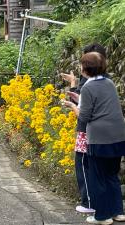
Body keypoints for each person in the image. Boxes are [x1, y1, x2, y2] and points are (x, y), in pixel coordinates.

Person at [63, 52, 125, 225]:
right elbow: (102, 105)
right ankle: (118, 212)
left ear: (85, 69)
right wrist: (80, 100)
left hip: (99, 138)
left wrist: (74, 106)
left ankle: (102, 216)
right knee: (112, 175)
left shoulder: (88, 87)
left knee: (97, 177)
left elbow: (85, 117)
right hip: (118, 135)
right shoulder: (109, 83)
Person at [61, 43, 107, 214]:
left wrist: (72, 105)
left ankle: (88, 203)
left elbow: (84, 112)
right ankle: (107, 207)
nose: (82, 65)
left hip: (87, 130)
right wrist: (73, 84)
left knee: (83, 164)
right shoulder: (106, 81)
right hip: (105, 133)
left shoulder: (90, 82)